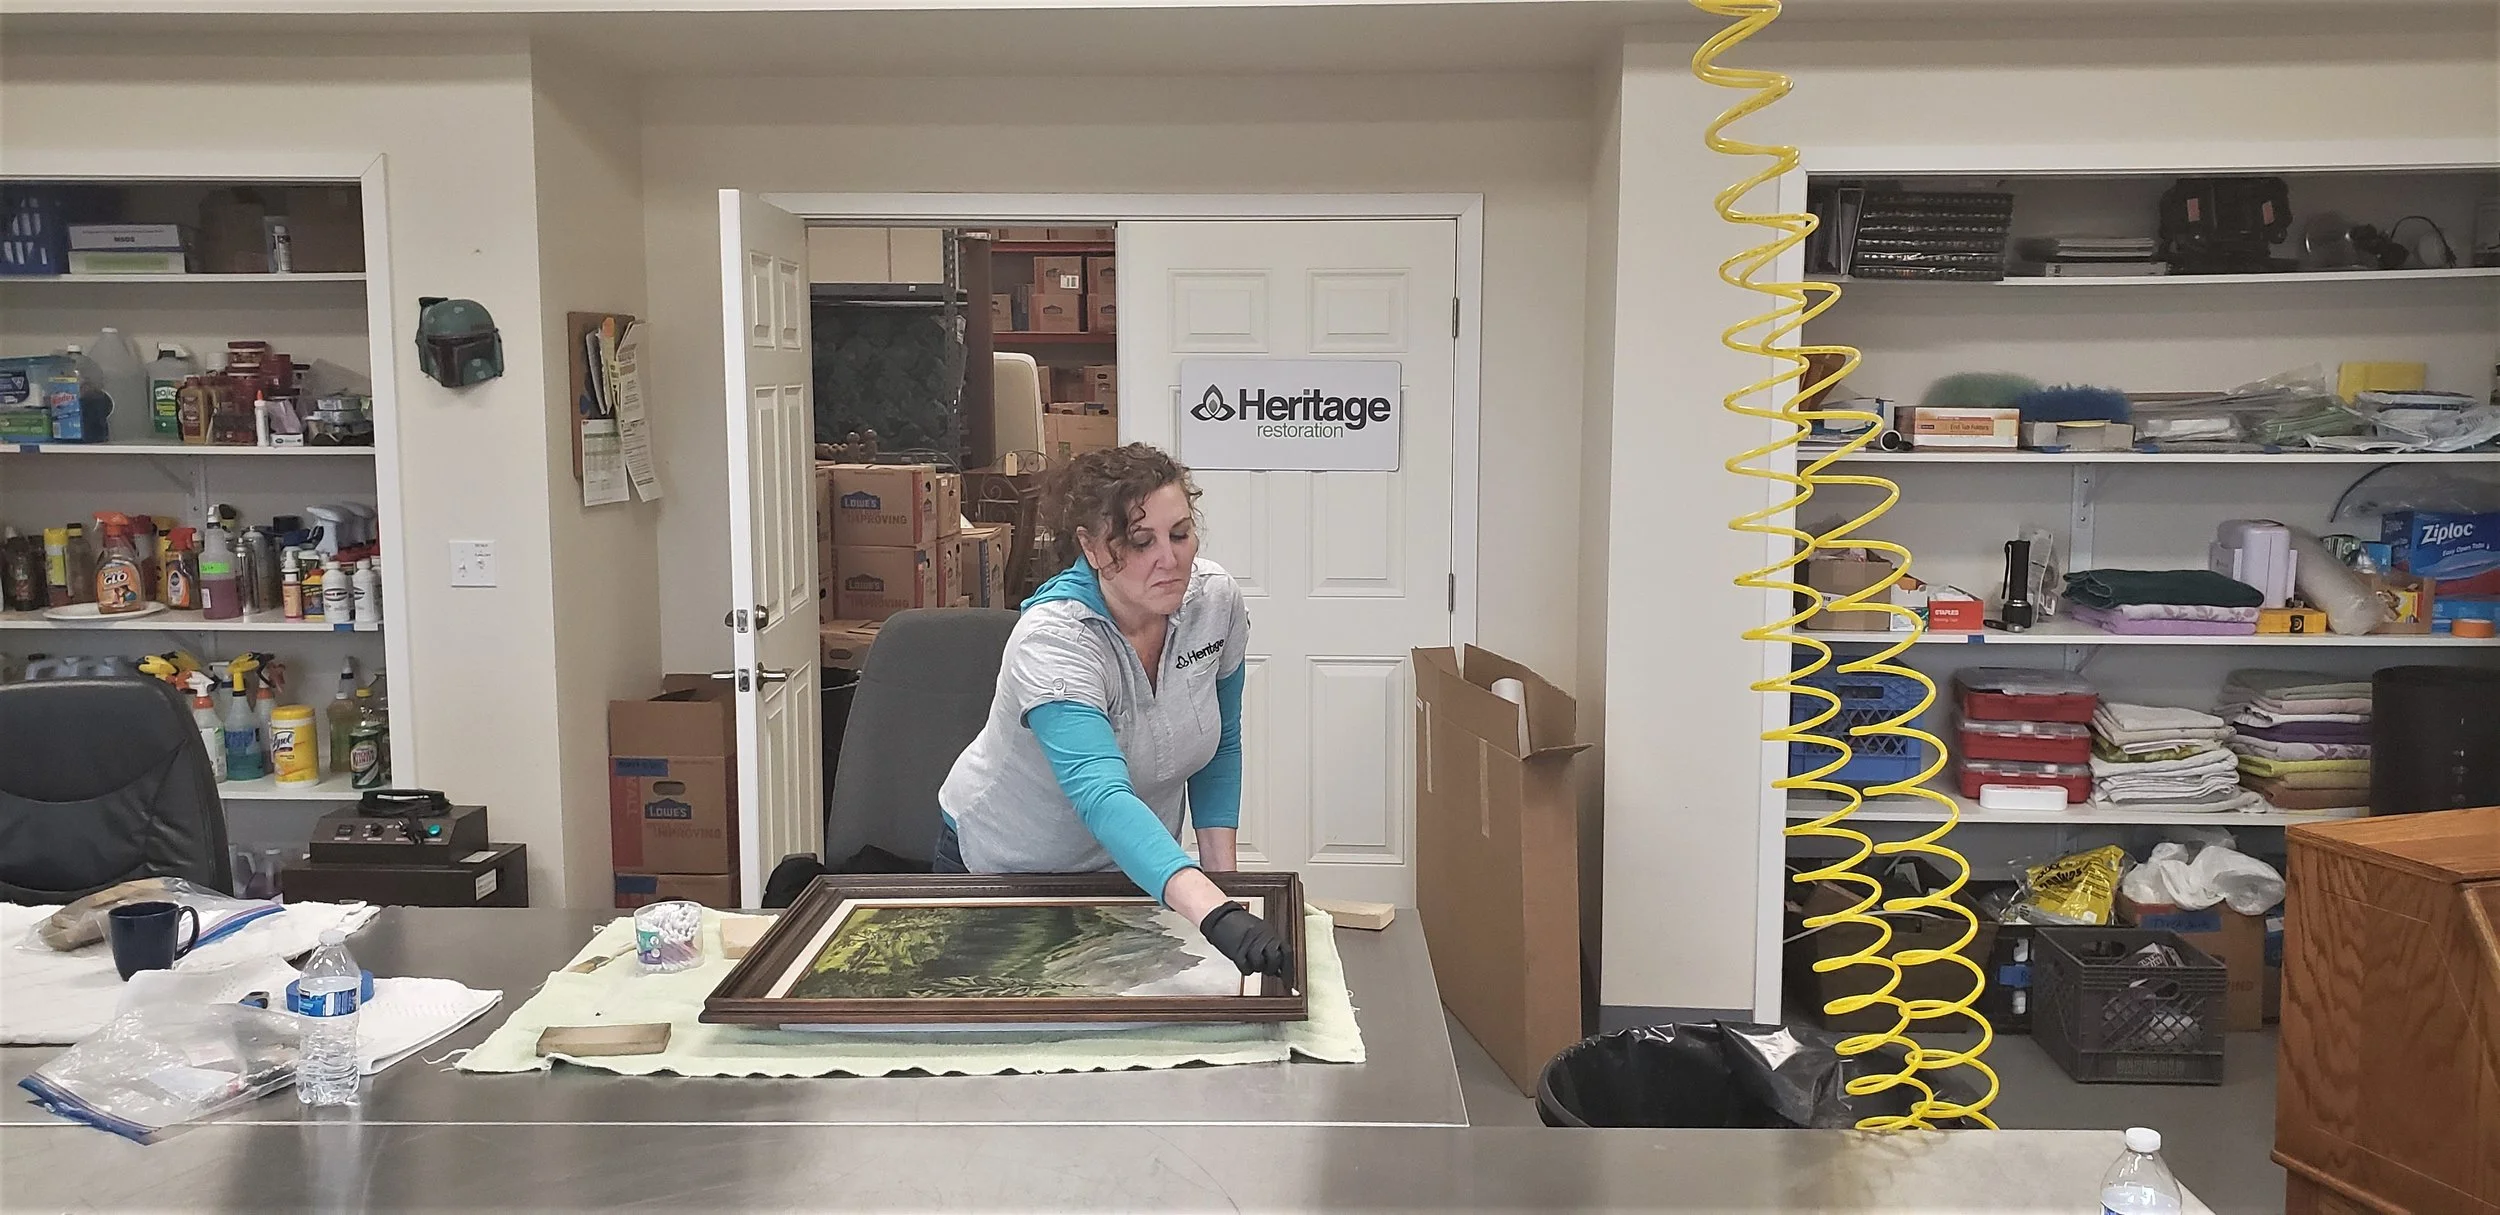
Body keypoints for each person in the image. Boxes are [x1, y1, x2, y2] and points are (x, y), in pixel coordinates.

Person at [935, 443, 1292, 981]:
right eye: (1140, 541)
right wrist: (1213, 912)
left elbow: (1222, 746)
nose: (1169, 560)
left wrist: (1228, 886)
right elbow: (1100, 793)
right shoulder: (1054, 641)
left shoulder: (1214, 602)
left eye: (1180, 534)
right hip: (1012, 869)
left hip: (1138, 866)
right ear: (1092, 548)